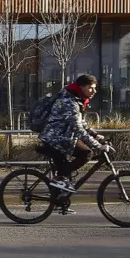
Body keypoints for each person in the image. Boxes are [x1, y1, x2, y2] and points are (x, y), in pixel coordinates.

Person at [37, 73, 109, 214]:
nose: (94, 91)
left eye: (95, 88)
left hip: (62, 138)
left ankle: (60, 199)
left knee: (66, 171)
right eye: (90, 88)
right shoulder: (69, 102)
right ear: (81, 87)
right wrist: (98, 146)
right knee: (86, 153)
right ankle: (58, 182)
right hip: (55, 139)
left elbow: (81, 123)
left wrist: (94, 134)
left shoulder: (75, 99)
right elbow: (78, 129)